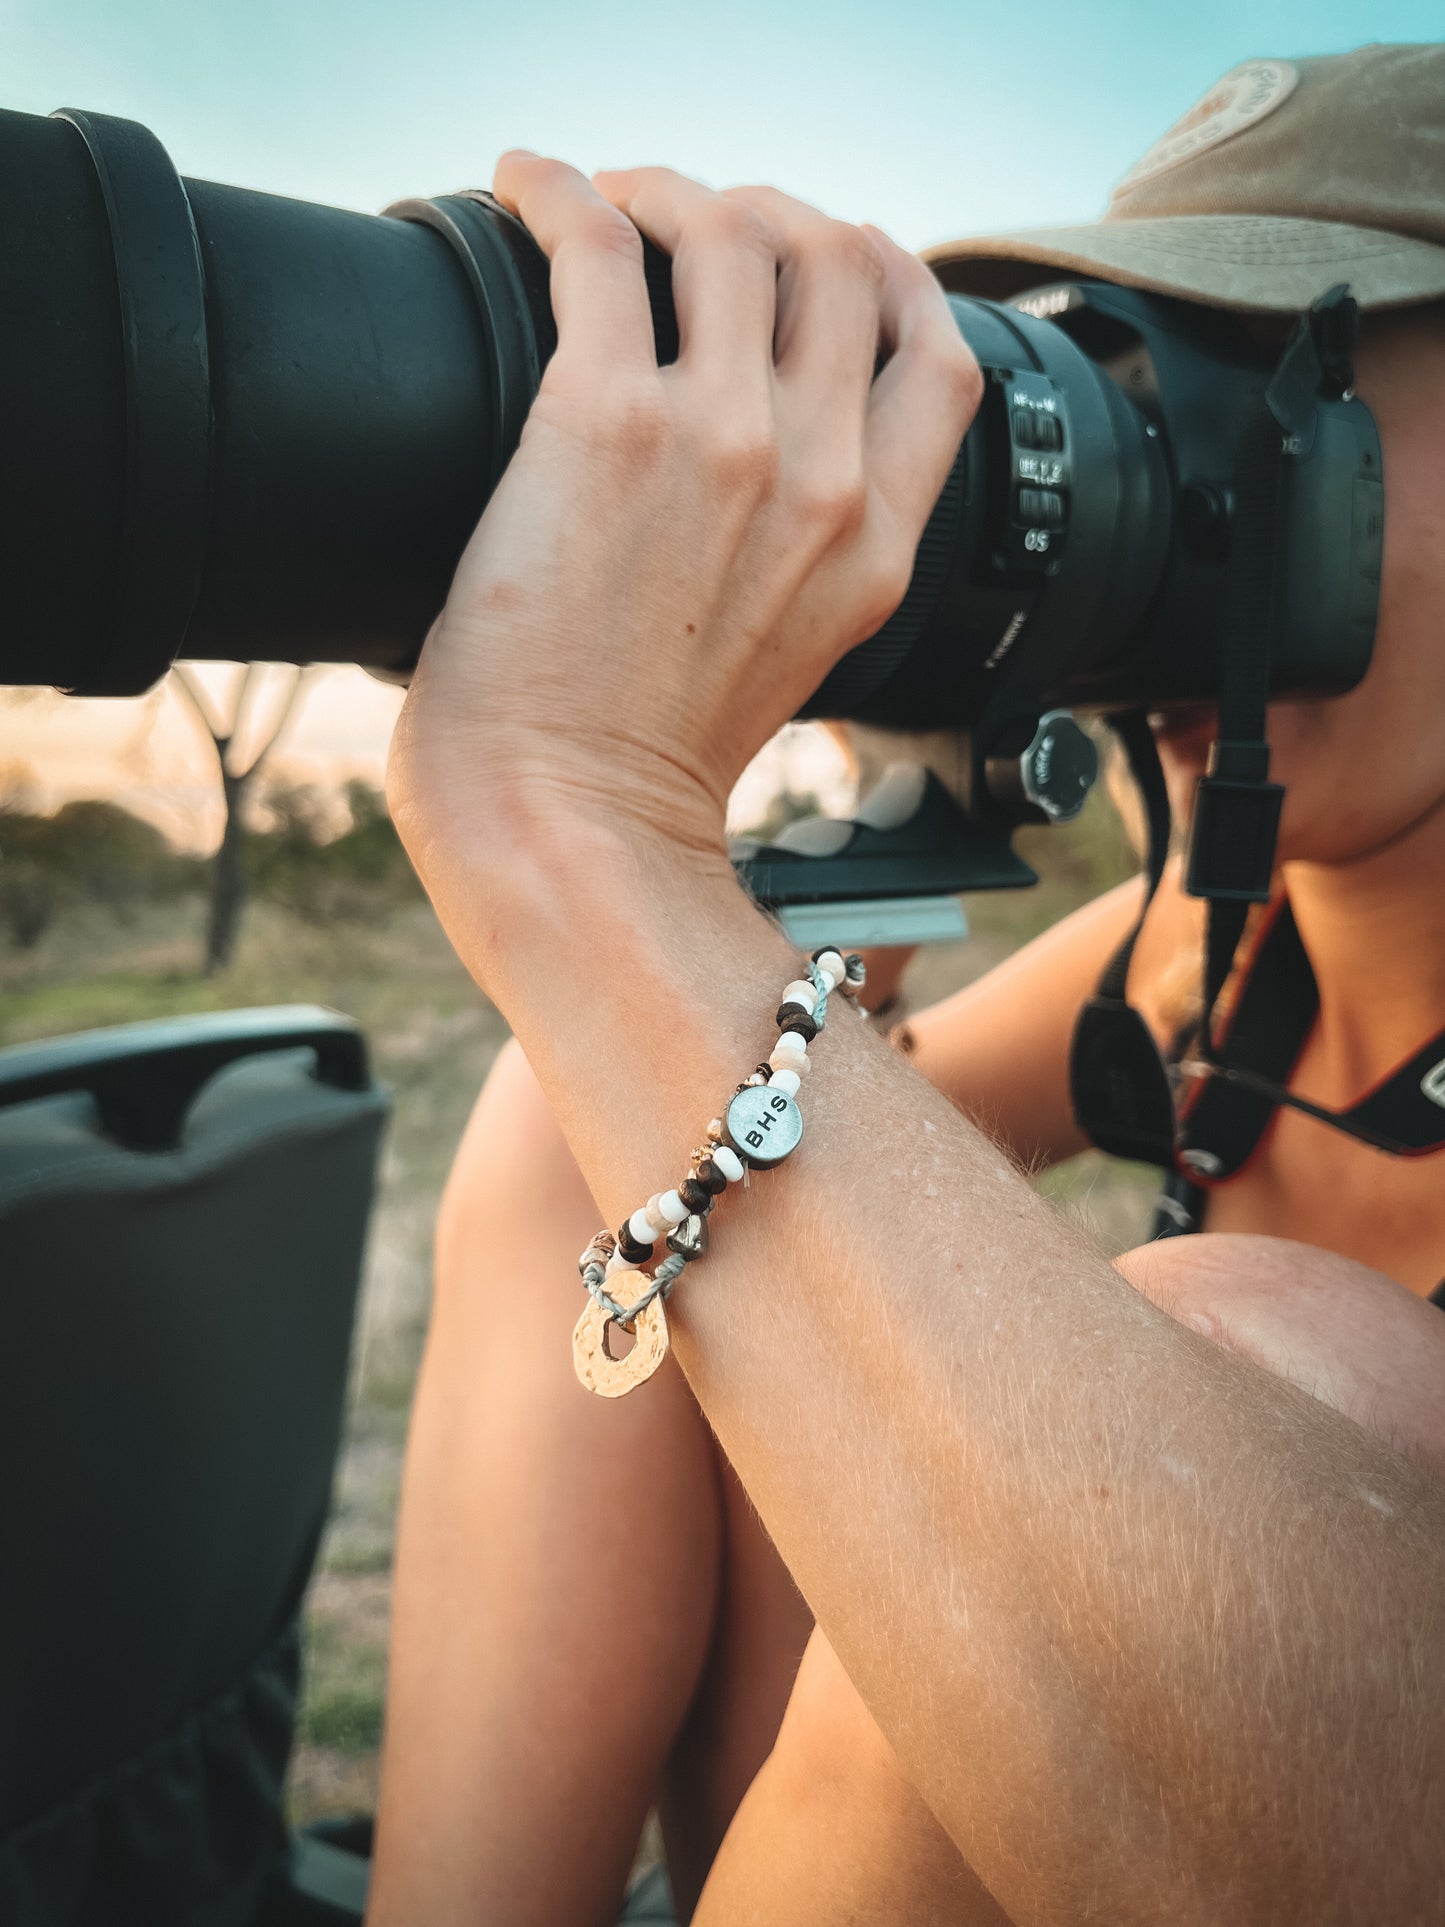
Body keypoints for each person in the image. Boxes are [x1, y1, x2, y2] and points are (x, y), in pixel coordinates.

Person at [368, 45, 1445, 1925]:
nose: (1182, 513)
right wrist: (861, 642)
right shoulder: (1211, 941)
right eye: (1135, 404)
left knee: (1283, 1353)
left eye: (1259, 412)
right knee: (588, 1111)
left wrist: (582, 834)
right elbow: (809, 1101)